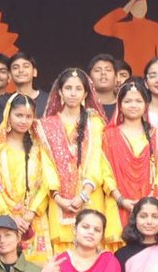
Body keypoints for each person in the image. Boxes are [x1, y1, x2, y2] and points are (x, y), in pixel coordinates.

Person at [39, 68, 120, 252]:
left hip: (90, 195)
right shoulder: (46, 125)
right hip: (58, 200)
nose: (73, 93)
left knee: (92, 246)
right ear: (60, 92)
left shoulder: (95, 123)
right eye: (68, 88)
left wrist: (84, 194)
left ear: (85, 94)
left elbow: (97, 160)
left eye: (78, 89)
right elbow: (46, 164)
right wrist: (58, 197)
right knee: (63, 254)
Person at [0, 94, 50, 263]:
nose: (24, 121)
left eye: (28, 116)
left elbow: (47, 182)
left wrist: (31, 212)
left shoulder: (40, 146)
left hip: (33, 218)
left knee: (36, 271)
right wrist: (10, 216)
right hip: (3, 215)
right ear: (8, 115)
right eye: (19, 115)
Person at [103, 79, 158, 234]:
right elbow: (104, 170)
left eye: (138, 101)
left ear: (146, 105)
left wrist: (148, 200)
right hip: (116, 202)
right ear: (120, 105)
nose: (133, 105)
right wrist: (120, 199)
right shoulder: (108, 135)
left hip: (150, 205)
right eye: (128, 101)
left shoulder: (156, 134)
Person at [94, 0, 158, 76]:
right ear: (131, 9)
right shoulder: (125, 27)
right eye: (137, 7)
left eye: (143, 6)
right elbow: (99, 27)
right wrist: (123, 11)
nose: (141, 9)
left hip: (150, 76)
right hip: (130, 76)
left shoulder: (157, 28)